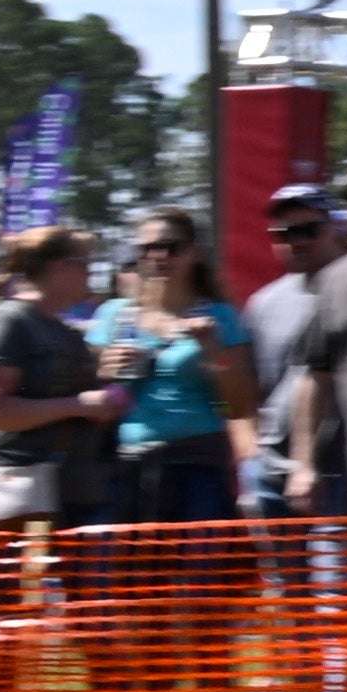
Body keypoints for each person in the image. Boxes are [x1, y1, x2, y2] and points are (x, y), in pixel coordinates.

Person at [0, 221, 118, 530]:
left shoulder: (63, 329)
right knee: (24, 579)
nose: (91, 274)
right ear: (60, 267)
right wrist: (77, 405)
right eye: (85, 265)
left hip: (70, 494)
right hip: (20, 494)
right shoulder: (5, 321)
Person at [97, 215, 258, 525]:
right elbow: (91, 392)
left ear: (193, 253)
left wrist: (213, 349)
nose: (159, 257)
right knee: (134, 572)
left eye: (171, 247)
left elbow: (238, 404)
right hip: (128, 465)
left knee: (198, 572)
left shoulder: (219, 316)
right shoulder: (114, 316)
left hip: (198, 467)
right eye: (147, 249)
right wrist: (104, 371)